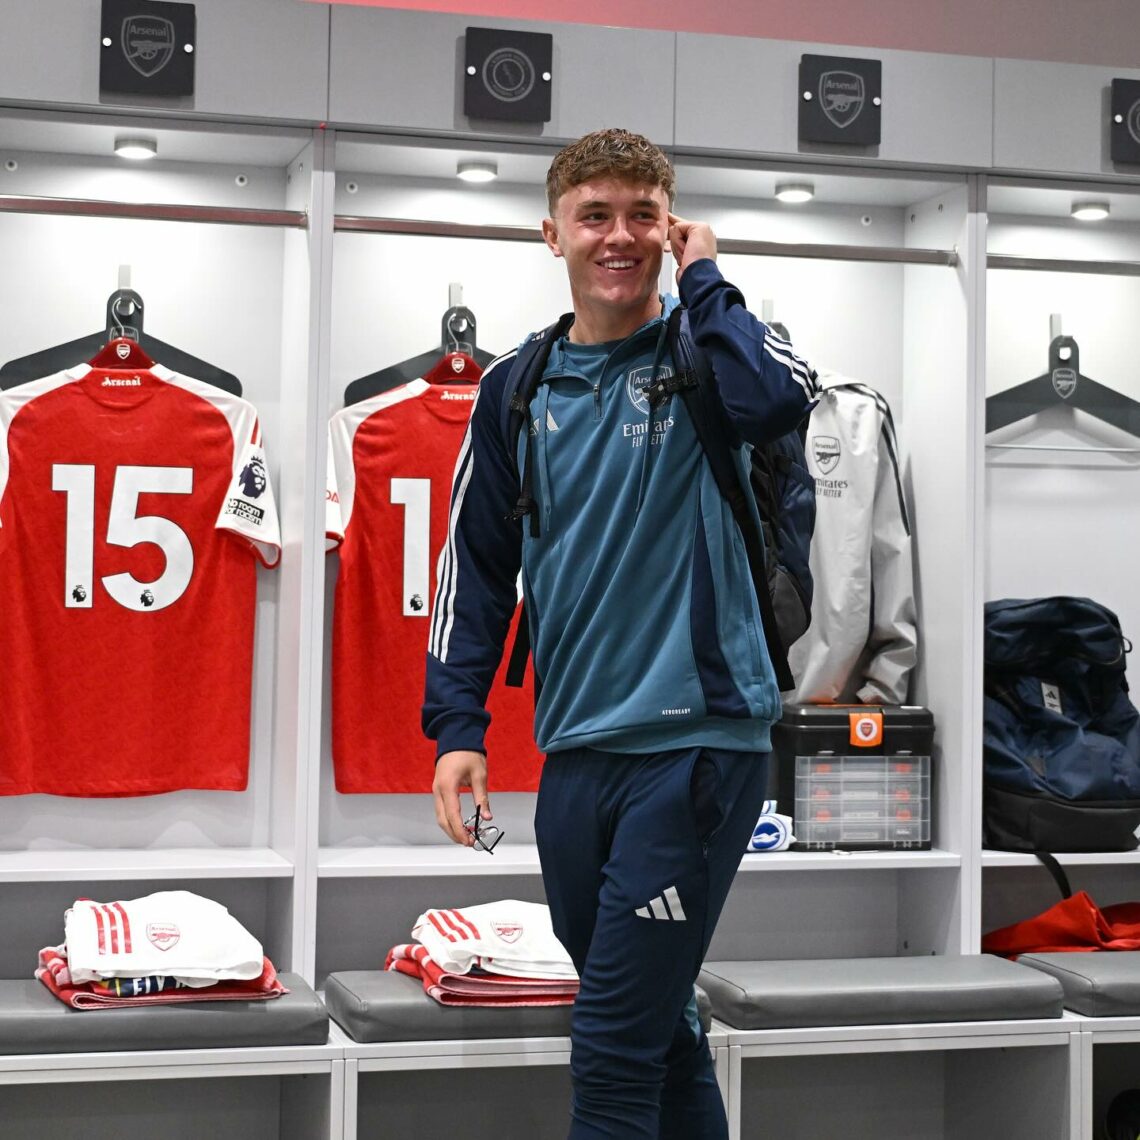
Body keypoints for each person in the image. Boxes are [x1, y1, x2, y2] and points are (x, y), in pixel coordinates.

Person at [424, 127, 815, 1139]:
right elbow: (474, 564)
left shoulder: (713, 355)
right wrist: (458, 727)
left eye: (644, 215)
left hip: (699, 744)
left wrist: (708, 275)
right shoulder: (518, 387)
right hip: (579, 754)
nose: (619, 236)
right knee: (660, 1026)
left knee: (607, 1041)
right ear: (551, 231)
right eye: (594, 214)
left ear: (670, 226)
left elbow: (774, 403)